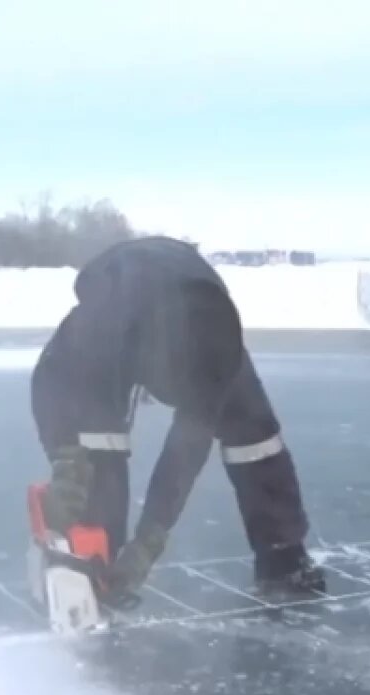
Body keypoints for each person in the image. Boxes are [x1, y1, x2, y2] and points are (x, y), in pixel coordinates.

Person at [30, 236, 326, 606]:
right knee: (95, 444)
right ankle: (94, 563)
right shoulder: (101, 326)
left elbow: (184, 455)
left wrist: (150, 539)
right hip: (127, 302)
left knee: (254, 435)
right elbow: (50, 379)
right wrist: (66, 455)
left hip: (193, 302)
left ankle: (283, 556)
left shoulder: (220, 347)